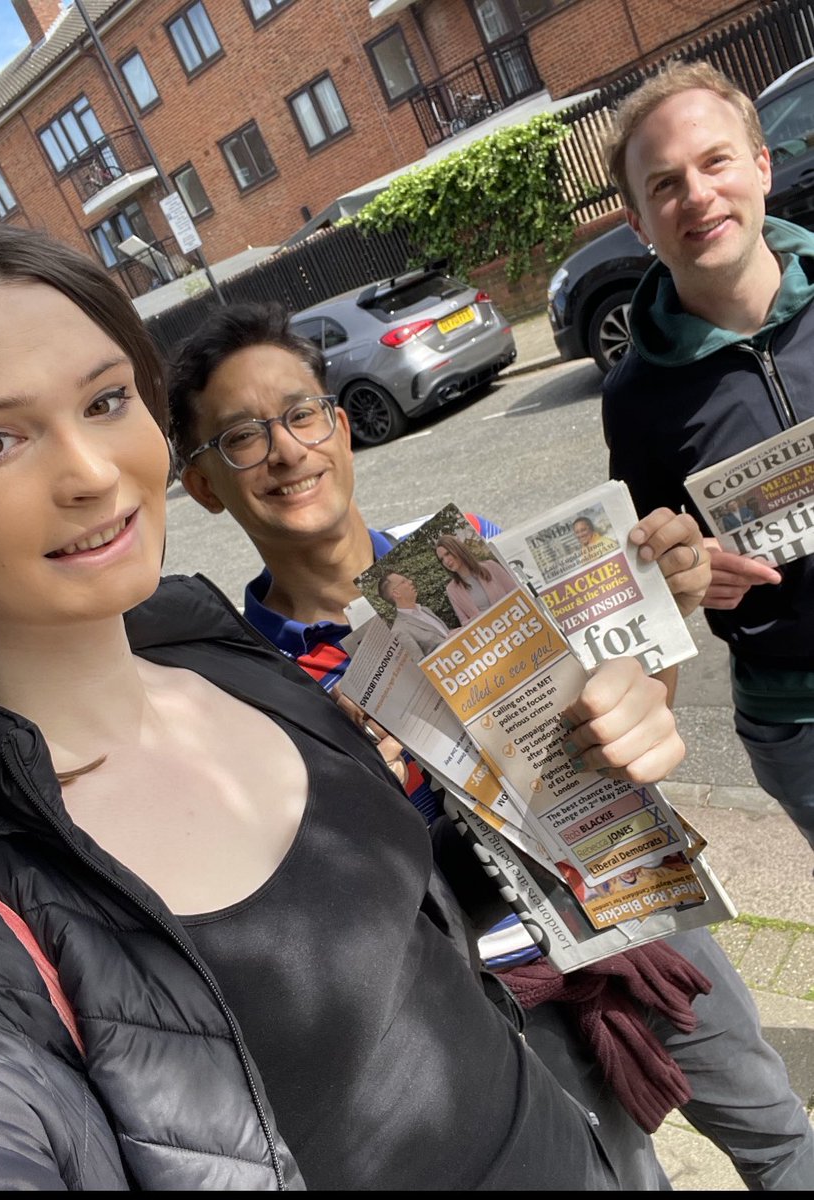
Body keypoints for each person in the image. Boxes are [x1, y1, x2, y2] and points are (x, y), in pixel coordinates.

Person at [0, 220, 672, 1191]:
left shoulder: (222, 653)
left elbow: (400, 933)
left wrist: (584, 755)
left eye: (106, 400)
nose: (92, 473)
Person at [169, 300, 814, 1190]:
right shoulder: (249, 688)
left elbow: (607, 719)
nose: (286, 451)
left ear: (342, 426)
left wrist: (652, 625)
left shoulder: (460, 556)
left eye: (300, 413)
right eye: (241, 437)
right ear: (201, 483)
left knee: (780, 1136)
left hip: (635, 913)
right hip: (499, 1001)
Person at [601, 58, 814, 853]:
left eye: (715, 161)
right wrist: (682, 575)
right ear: (639, 223)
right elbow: (646, 570)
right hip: (798, 721)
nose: (696, 195)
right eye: (663, 184)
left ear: (761, 166)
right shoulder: (634, 397)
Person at [434, 532, 515, 623]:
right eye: (441, 559)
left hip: (516, 622)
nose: (446, 561)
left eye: (448, 553)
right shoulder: (452, 590)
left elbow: (517, 593)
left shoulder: (491, 567)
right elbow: (465, 622)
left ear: (457, 549)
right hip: (490, 634)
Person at [377, 569, 452, 655]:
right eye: (403, 582)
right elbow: (421, 663)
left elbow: (443, 635)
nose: (410, 581)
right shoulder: (400, 630)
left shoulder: (425, 610)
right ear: (396, 593)